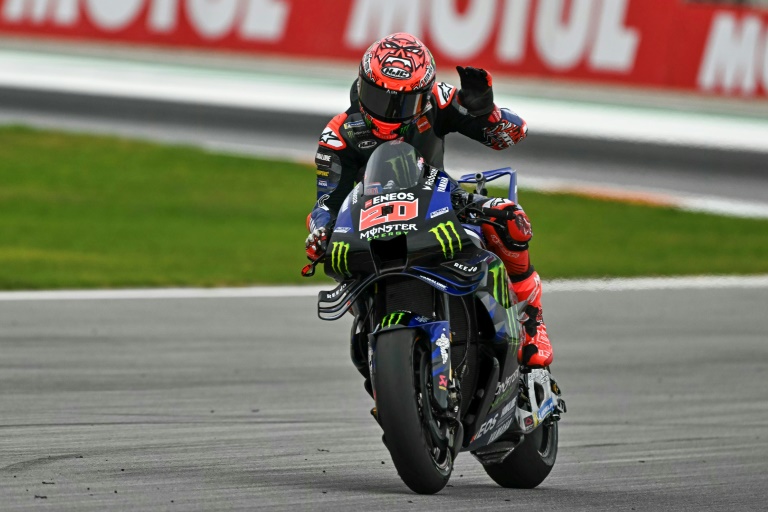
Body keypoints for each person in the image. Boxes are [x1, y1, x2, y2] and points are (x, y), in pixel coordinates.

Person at [304, 32, 552, 368]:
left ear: (422, 97)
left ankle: (532, 321)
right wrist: (320, 231)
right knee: (348, 285)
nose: (389, 111)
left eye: (401, 103)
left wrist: (487, 112)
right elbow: (325, 203)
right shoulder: (339, 134)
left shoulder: (438, 99)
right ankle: (381, 354)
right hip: (369, 221)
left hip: (440, 200)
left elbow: (512, 134)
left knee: (509, 219)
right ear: (361, 85)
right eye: (378, 96)